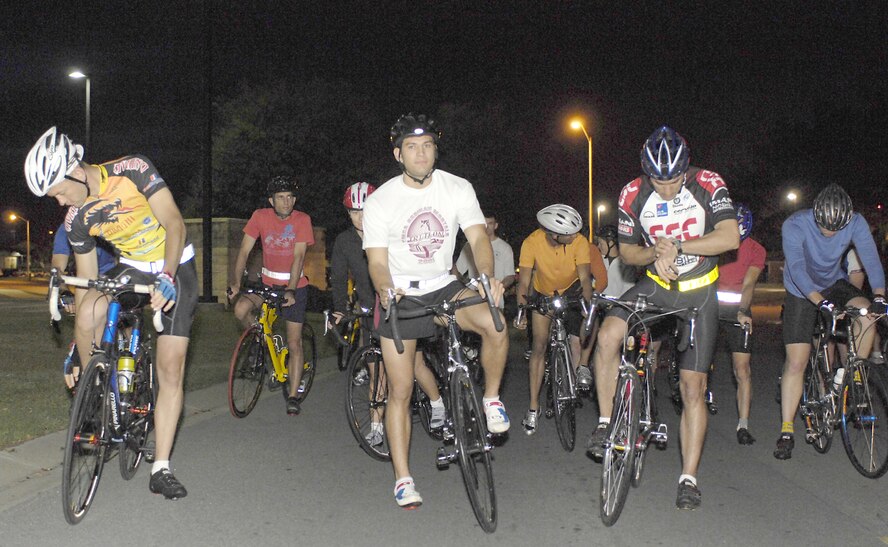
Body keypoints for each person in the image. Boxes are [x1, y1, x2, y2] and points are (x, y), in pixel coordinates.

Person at [25, 126, 198, 500]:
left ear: (73, 170)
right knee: (89, 310)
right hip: (133, 266)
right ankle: (98, 392)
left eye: (57, 190)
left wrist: (167, 276)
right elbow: (87, 282)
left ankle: (162, 466)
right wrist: (77, 348)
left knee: (171, 364)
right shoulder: (76, 219)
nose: (57, 201)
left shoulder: (133, 169)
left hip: (174, 264)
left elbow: (174, 222)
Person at [587, 126, 740, 510]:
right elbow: (626, 254)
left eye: (673, 179)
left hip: (699, 293)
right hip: (655, 287)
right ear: (646, 173)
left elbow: (729, 238)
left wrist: (678, 245)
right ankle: (606, 423)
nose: (667, 187)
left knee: (692, 388)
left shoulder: (708, 183)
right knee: (607, 336)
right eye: (658, 179)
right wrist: (654, 251)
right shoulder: (632, 193)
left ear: (685, 170)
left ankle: (688, 478)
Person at [363, 113, 510, 509]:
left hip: (444, 285)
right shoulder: (381, 200)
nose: (421, 153)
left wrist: (487, 278)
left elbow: (478, 237)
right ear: (398, 154)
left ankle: (491, 399)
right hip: (401, 295)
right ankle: (403, 479)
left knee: (495, 320)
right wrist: (384, 288)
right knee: (401, 390)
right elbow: (377, 261)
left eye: (427, 145)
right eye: (412, 146)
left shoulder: (457, 187)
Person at [329, 182, 446, 446]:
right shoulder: (345, 241)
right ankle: (376, 426)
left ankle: (438, 404)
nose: (360, 217)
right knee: (376, 371)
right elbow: (338, 277)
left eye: (365, 210)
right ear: (347, 214)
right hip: (372, 310)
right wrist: (340, 309)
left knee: (415, 366)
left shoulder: (392, 233)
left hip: (402, 307)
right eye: (354, 212)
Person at [774, 183, 885, 460]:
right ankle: (787, 430)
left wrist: (880, 296)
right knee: (797, 361)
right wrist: (818, 301)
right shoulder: (795, 224)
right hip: (801, 289)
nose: (830, 233)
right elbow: (797, 268)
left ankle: (847, 376)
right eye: (825, 226)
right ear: (815, 214)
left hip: (834, 282)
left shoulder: (856, 222)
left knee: (867, 313)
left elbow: (870, 259)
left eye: (837, 228)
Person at [228, 176, 314, 416]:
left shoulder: (302, 220)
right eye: (280, 198)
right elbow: (244, 250)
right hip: (267, 282)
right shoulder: (260, 217)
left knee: (294, 342)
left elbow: (298, 257)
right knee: (240, 309)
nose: (286, 202)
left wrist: (291, 288)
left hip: (294, 285)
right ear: (271, 201)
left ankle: (294, 394)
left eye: (289, 197)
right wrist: (236, 282)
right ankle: (261, 339)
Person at [514, 204, 594, 435]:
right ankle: (533, 407)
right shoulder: (531, 243)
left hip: (571, 290)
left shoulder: (579, 242)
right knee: (539, 347)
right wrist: (522, 308)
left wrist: (587, 305)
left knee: (587, 322)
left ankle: (580, 367)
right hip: (542, 294)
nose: (575, 236)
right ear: (553, 234)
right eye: (569, 233)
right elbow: (524, 281)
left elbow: (585, 278)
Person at [714, 203, 766, 445]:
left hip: (737, 310)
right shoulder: (713, 241)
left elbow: (748, 284)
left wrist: (743, 311)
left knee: (742, 369)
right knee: (698, 363)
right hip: (709, 306)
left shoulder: (756, 250)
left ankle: (743, 425)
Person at [51, 217, 118, 384]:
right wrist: (63, 289)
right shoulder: (66, 228)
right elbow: (58, 266)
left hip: (116, 275)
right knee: (86, 301)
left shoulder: (110, 222)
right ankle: (80, 350)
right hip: (88, 280)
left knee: (126, 326)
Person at [453, 212, 516, 307]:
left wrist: (496, 288)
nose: (487, 227)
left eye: (490, 223)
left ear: (496, 225)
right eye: (484, 223)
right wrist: (467, 285)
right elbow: (458, 271)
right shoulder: (469, 246)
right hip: (473, 300)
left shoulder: (505, 248)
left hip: (496, 301)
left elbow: (510, 276)